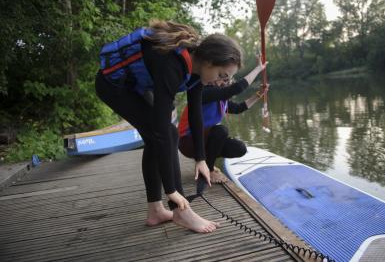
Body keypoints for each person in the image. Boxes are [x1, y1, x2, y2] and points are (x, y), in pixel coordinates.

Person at [95, 20, 257, 233]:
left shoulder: (197, 70)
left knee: (162, 134)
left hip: (134, 86)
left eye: (227, 79)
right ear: (208, 61)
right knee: (165, 133)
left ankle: (156, 211)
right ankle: (180, 211)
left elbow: (196, 113)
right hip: (113, 86)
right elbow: (162, 131)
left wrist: (200, 159)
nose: (222, 83)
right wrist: (171, 190)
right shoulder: (171, 64)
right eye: (222, 76)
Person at [178, 57, 268, 183]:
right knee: (220, 130)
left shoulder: (221, 101)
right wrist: (258, 69)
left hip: (201, 141)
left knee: (239, 148)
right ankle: (209, 170)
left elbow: (239, 108)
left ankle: (206, 162)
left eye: (227, 81)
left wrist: (259, 94)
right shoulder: (204, 92)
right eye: (222, 79)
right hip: (187, 142)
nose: (224, 83)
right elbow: (235, 89)